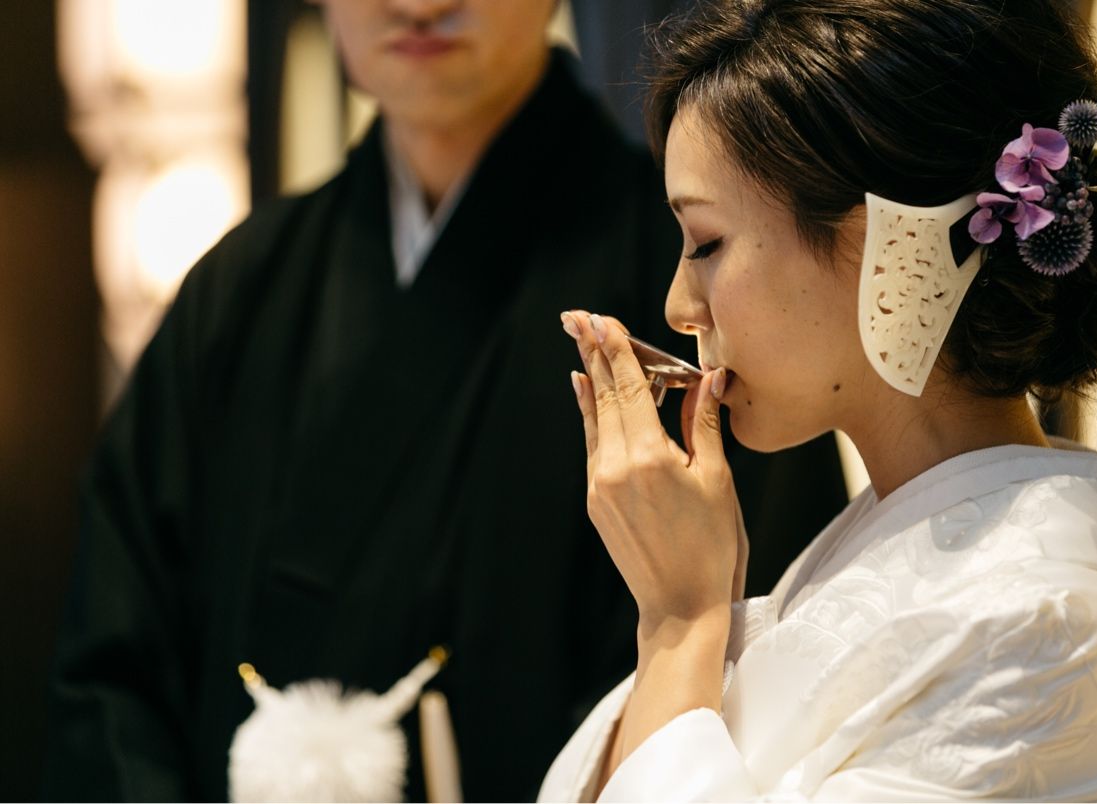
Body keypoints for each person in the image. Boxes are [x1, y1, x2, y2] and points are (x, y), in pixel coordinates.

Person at [42, 0, 849, 800]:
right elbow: (113, 662)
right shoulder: (242, 290)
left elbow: (757, 647)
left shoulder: (695, 281)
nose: (419, 6)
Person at [539, 0, 1097, 800]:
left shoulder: (1042, 625)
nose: (679, 307)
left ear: (885, 246)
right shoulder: (904, 539)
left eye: (707, 243)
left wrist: (679, 622)